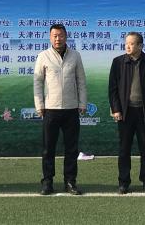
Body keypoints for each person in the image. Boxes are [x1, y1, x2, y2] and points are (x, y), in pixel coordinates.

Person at [33, 23, 87, 195]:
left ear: (66, 36)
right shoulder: (43, 56)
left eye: (61, 35)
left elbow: (81, 81)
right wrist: (39, 105)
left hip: (71, 109)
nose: (58, 39)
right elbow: (38, 82)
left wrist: (82, 103)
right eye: (55, 36)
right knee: (48, 149)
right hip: (50, 109)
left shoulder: (75, 56)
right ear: (50, 38)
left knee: (71, 149)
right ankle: (47, 182)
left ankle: (70, 182)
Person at [108, 32, 145, 195]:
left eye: (131, 44)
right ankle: (123, 182)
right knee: (124, 149)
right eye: (126, 43)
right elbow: (113, 89)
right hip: (125, 113)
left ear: (140, 46)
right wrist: (116, 109)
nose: (128, 46)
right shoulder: (118, 62)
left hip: (144, 112)